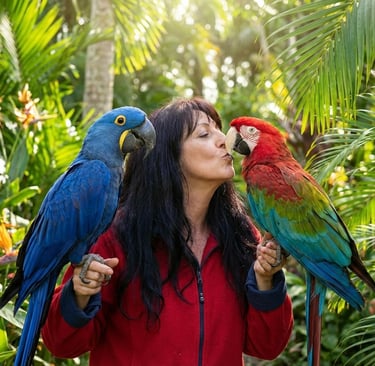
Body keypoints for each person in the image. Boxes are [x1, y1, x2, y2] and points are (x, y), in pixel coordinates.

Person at [42, 97, 293, 365]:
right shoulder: (116, 234)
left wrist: (265, 281)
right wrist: (79, 293)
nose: (223, 139)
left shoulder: (242, 235)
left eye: (219, 130)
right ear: (168, 157)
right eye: (205, 133)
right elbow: (61, 342)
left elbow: (267, 346)